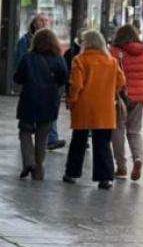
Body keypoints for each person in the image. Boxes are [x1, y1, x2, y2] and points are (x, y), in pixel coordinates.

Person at [63, 29, 125, 190]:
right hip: (105, 108)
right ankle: (105, 178)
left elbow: (76, 84)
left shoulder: (80, 60)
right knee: (103, 144)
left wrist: (72, 99)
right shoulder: (111, 61)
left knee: (78, 142)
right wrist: (109, 92)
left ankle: (72, 173)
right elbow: (121, 81)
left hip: (84, 107)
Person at [13, 27, 69, 181]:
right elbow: (64, 79)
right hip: (49, 102)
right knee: (42, 137)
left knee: (25, 133)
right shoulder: (59, 59)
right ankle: (38, 169)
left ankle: (28, 162)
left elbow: (18, 78)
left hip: (29, 101)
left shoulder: (28, 57)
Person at [110, 23, 143, 181]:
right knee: (134, 131)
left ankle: (121, 165)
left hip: (120, 96)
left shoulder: (114, 52)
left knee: (118, 130)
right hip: (139, 97)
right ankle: (138, 158)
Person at [15, 13, 65, 151]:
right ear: (34, 23)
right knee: (35, 118)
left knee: (48, 113)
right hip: (33, 85)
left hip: (48, 85)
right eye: (40, 20)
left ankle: (52, 139)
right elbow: (20, 63)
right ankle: (39, 155)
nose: (44, 22)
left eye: (46, 20)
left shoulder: (51, 41)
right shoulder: (25, 41)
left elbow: (61, 68)